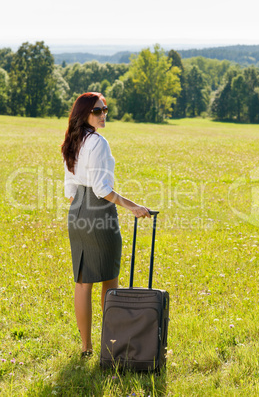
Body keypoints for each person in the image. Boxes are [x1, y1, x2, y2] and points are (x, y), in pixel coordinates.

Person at [61, 92, 151, 358]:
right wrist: (133, 206)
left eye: (105, 110)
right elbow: (102, 190)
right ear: (86, 113)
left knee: (82, 281)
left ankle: (86, 348)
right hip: (98, 212)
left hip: (76, 211)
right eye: (99, 111)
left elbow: (69, 188)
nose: (104, 115)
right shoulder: (98, 143)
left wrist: (80, 206)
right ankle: (112, 343)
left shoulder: (72, 141)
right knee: (110, 280)